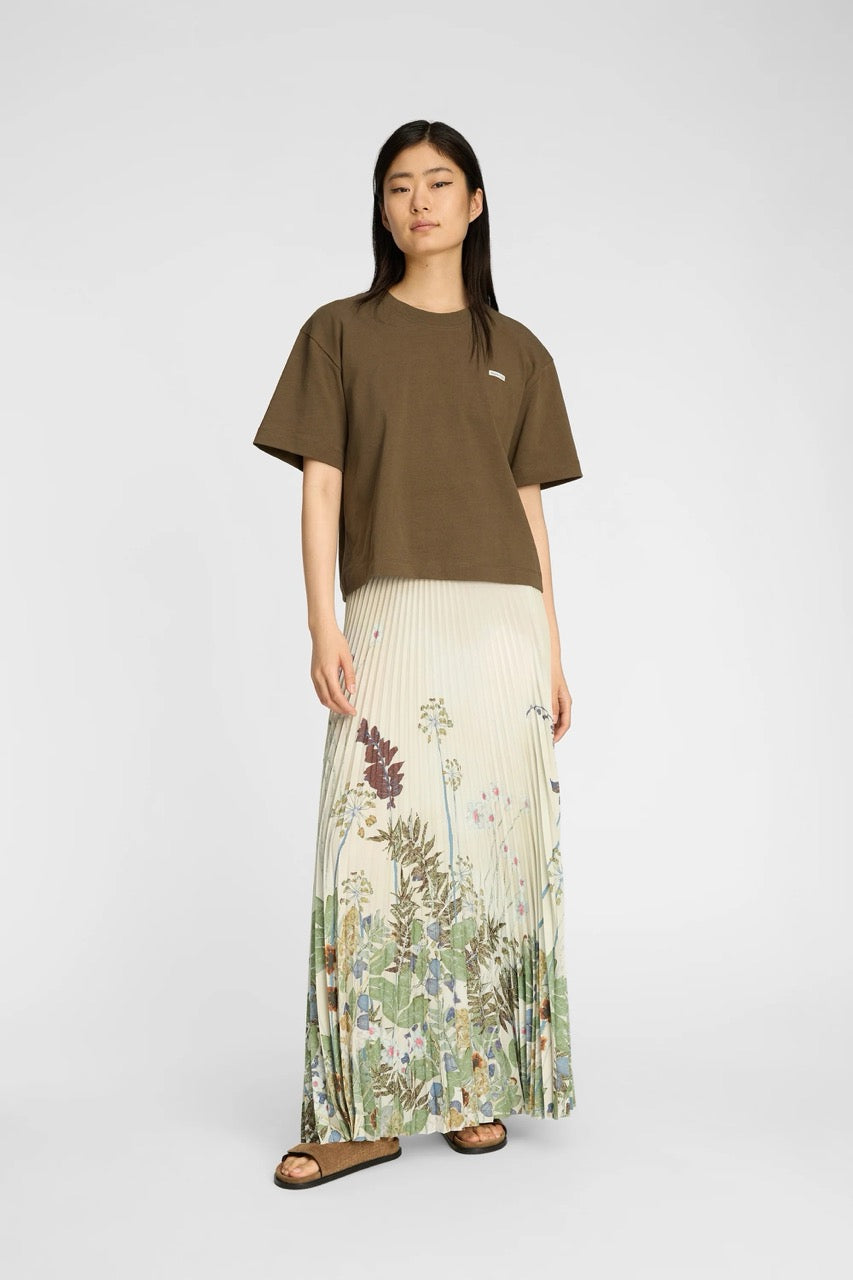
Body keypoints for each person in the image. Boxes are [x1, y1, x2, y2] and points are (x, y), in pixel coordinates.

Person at [252, 119, 583, 1190]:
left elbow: (529, 508)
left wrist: (554, 649)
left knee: (485, 854)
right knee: (369, 854)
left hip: (502, 627)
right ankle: (359, 1113)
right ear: (382, 207)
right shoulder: (339, 332)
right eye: (399, 185)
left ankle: (470, 1085)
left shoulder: (518, 349)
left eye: (440, 183)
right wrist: (322, 623)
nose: (420, 201)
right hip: (389, 610)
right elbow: (321, 485)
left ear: (474, 203)